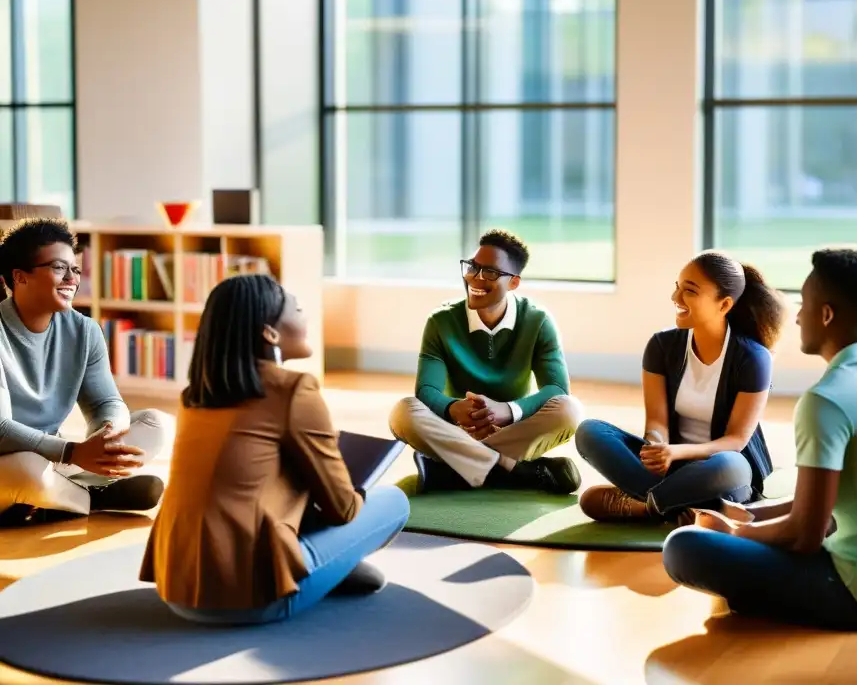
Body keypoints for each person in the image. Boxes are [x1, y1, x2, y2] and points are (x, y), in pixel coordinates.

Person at [663, 247, 857, 632]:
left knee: (683, 548)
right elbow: (833, 500)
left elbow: (805, 534)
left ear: (826, 315)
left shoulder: (826, 400)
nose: (796, 316)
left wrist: (737, 533)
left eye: (805, 304)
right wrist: (751, 514)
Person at [139, 274, 410, 624]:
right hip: (254, 600)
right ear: (270, 333)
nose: (306, 317)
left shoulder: (196, 395)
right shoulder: (293, 389)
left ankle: (333, 565)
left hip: (177, 590)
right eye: (297, 309)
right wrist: (353, 485)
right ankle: (331, 566)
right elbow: (342, 510)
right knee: (393, 501)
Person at [574, 251, 785, 524]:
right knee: (590, 431)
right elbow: (657, 422)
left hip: (721, 468)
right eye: (677, 287)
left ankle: (646, 507)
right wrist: (657, 448)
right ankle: (685, 506)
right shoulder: (661, 346)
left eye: (690, 291)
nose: (676, 298)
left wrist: (677, 451)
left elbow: (735, 441)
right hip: (671, 468)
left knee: (728, 466)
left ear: (724, 305)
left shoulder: (753, 358)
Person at [0, 217, 169, 525]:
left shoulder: (85, 331)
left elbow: (107, 402)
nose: (71, 279)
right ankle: (93, 497)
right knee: (26, 470)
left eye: (75, 269)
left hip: (56, 461)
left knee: (157, 424)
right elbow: (0, 429)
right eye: (58, 268)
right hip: (13, 465)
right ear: (20, 277)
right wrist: (73, 452)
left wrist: (108, 434)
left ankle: (57, 499)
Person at [389, 228, 584, 495]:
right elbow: (425, 391)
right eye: (472, 267)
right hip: (457, 428)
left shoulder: (538, 321)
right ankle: (512, 469)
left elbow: (557, 390)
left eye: (490, 272)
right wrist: (454, 408)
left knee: (569, 410)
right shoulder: (441, 321)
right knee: (402, 413)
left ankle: (452, 468)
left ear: (514, 282)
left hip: (512, 429)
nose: (475, 278)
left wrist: (508, 410)